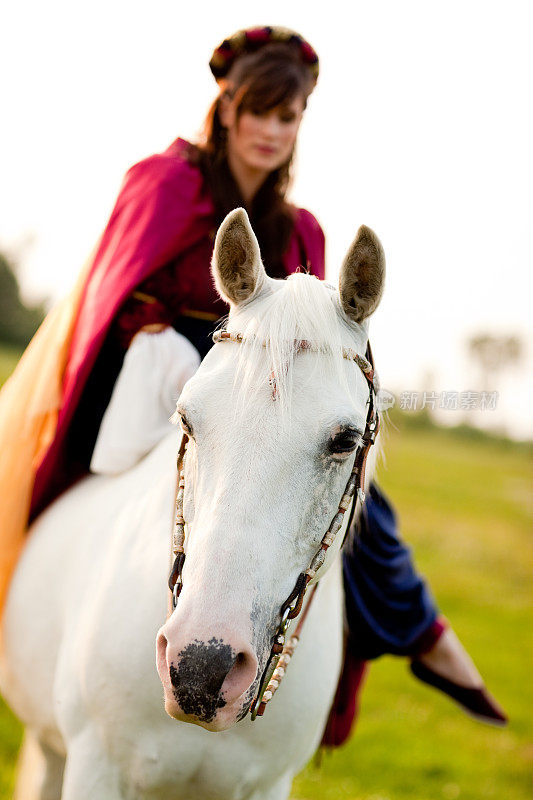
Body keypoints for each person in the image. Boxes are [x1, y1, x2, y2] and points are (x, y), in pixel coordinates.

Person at [0, 25, 506, 744]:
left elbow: (319, 351)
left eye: (287, 116)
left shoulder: (299, 230)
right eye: (259, 110)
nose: (271, 130)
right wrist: (176, 352)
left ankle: (418, 629)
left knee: (345, 481)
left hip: (260, 406)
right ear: (228, 109)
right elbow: (115, 294)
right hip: (148, 377)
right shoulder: (165, 183)